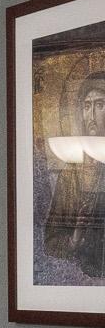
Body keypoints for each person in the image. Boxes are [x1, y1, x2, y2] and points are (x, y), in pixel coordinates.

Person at [42, 71, 105, 280]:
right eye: (87, 106)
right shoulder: (71, 174)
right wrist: (74, 239)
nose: (92, 115)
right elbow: (51, 242)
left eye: (100, 104)